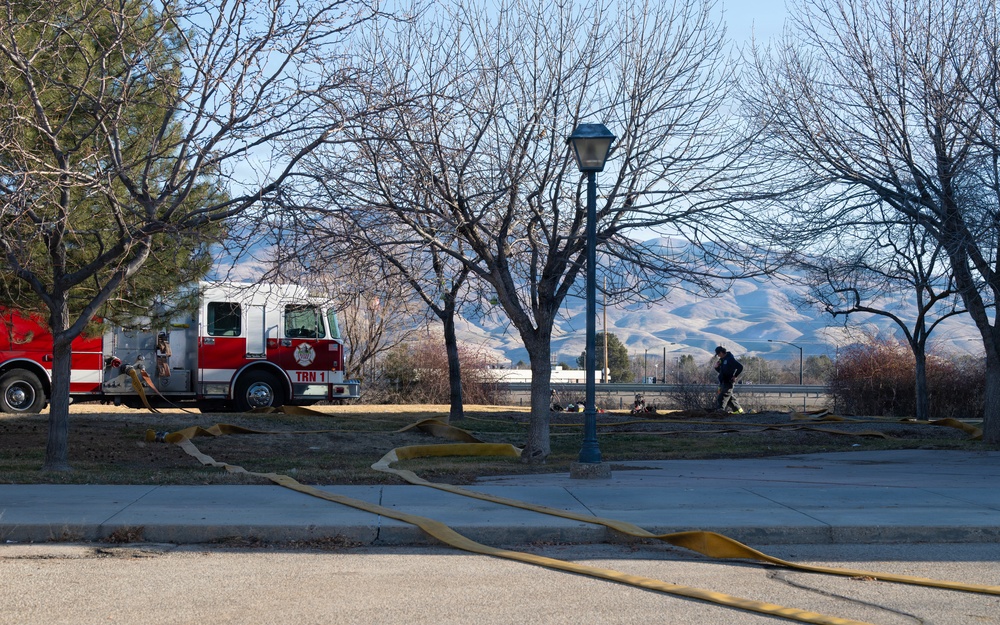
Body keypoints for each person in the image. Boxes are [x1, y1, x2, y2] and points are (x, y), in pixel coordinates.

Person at [713, 345, 744, 414]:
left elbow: (740, 367)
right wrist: (716, 367)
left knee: (722, 397)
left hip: (728, 382)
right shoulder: (722, 360)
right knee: (730, 400)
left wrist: (735, 376)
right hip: (722, 382)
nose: (718, 356)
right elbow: (721, 371)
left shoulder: (730, 359)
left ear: (721, 352)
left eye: (718, 354)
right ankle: (739, 411)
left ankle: (720, 412)